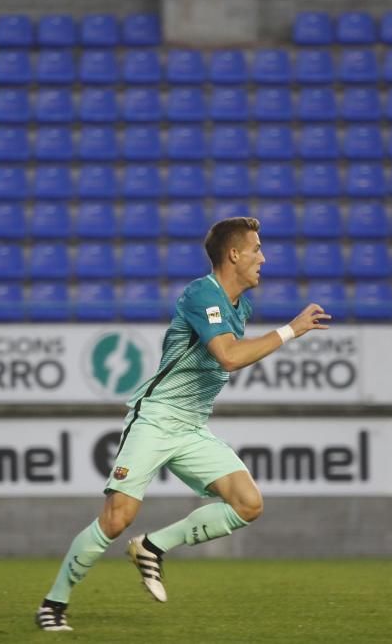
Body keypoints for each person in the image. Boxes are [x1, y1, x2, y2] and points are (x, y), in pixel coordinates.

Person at [35, 217, 331, 632]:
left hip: (191, 426)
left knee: (248, 503)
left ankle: (153, 548)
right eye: (256, 249)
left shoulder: (241, 305)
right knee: (117, 518)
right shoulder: (200, 294)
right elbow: (228, 356)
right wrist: (290, 331)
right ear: (234, 255)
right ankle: (53, 604)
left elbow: (229, 356)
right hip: (156, 418)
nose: (263, 257)